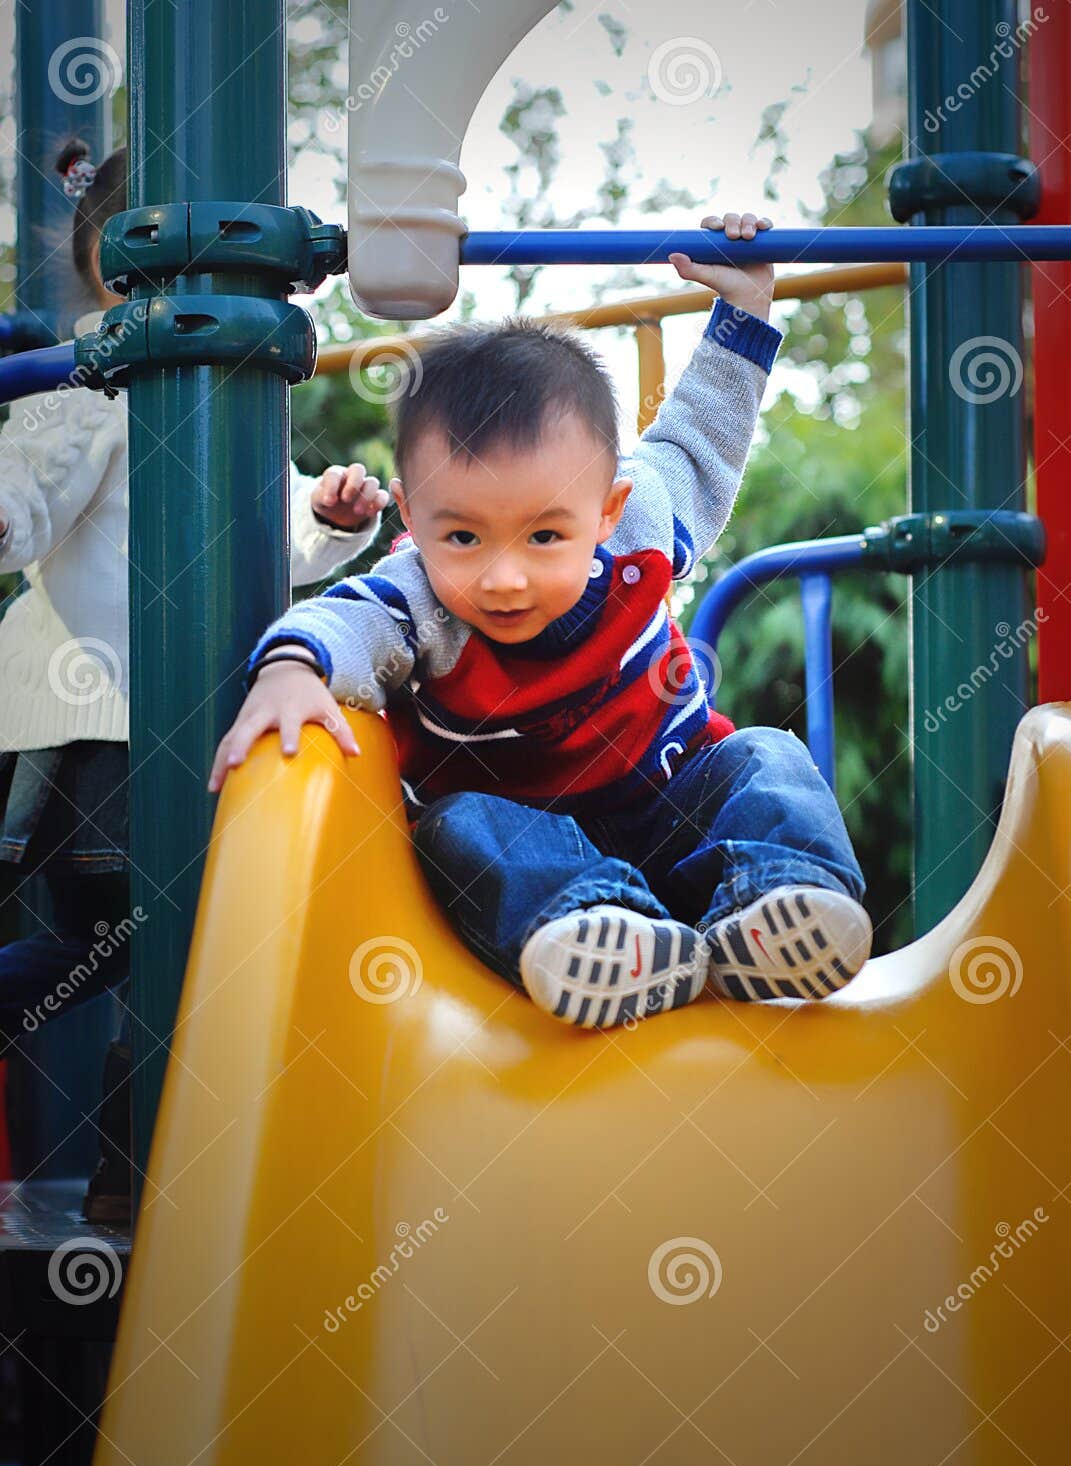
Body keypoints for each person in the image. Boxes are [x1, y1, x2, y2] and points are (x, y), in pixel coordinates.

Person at [208, 210, 872, 1030]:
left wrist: (744, 312)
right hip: (536, 862)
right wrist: (288, 670)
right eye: (461, 536)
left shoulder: (640, 527)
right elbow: (352, 622)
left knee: (762, 756)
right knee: (454, 824)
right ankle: (597, 939)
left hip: (674, 812)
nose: (504, 575)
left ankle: (779, 904)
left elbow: (699, 440)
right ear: (411, 519)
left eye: (545, 535)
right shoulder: (419, 598)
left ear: (606, 512)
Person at [0, 140, 390, 1217]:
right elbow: (29, 493)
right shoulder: (96, 372)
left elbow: (265, 538)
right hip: (104, 726)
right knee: (150, 937)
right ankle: (140, 1189)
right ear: (115, 272)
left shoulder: (234, 387)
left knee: (156, 941)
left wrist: (326, 516)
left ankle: (146, 1187)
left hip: (165, 723)